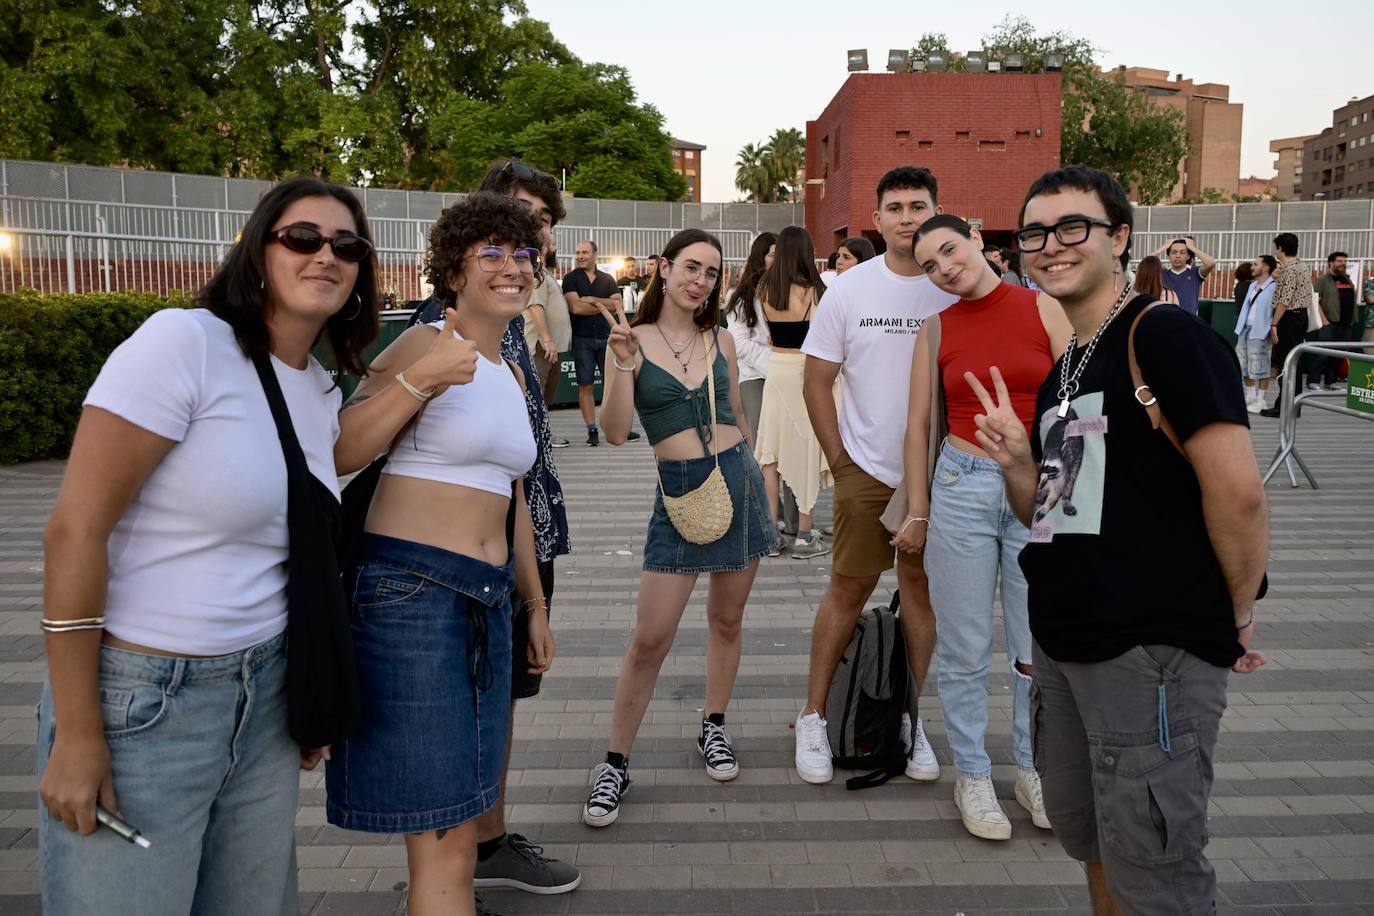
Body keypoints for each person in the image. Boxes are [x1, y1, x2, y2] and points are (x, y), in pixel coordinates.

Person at [37, 177, 380, 915]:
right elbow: (75, 530)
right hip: (144, 703)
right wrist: (76, 731)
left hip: (262, 703)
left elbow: (289, 548)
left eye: (347, 246)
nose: (328, 255)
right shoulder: (184, 342)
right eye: (304, 238)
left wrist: (304, 690)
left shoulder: (318, 387)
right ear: (258, 250)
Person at [969, 165, 1268, 914]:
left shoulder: (1163, 335)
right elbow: (1055, 509)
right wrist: (1017, 464)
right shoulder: (1069, 362)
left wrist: (1232, 614)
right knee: (1097, 843)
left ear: (1120, 237)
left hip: (1151, 651)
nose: (1051, 245)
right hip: (1069, 646)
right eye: (1035, 232)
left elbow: (1239, 493)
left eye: (1075, 227)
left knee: (1156, 871)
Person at [328, 193, 551, 916]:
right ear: (452, 269)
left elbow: (509, 495)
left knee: (464, 816)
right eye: (491, 252)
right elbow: (341, 448)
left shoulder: (512, 373)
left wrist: (534, 605)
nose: (512, 267)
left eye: (523, 254)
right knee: (444, 833)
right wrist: (424, 379)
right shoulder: (426, 343)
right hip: (411, 594)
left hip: (487, 599)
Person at [580, 229, 776, 827]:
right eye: (690, 268)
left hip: (737, 481)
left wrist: (763, 483)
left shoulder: (721, 339)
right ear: (664, 269)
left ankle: (713, 727)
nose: (700, 281)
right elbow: (615, 431)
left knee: (727, 619)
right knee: (651, 638)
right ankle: (615, 762)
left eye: (712, 273)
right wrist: (620, 363)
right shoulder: (632, 339)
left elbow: (739, 417)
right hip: (680, 493)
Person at [896, 214, 1071, 840]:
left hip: (1043, 483)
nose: (945, 268)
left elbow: (1076, 407)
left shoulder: (1044, 309)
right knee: (966, 647)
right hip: (962, 485)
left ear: (974, 238)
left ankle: (1033, 769)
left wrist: (1077, 499)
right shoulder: (935, 328)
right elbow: (918, 427)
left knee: (1036, 645)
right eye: (930, 266)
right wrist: (917, 510)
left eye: (948, 250)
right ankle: (972, 773)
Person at [793, 166, 957, 785]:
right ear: (878, 217)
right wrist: (840, 461)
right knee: (848, 590)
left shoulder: (953, 286)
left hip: (941, 474)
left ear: (937, 211)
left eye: (919, 205)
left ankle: (908, 719)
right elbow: (816, 379)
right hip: (867, 468)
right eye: (895, 207)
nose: (908, 217)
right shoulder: (850, 290)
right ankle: (813, 714)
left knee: (920, 593)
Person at [756, 226, 832, 560]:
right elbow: (822, 338)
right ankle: (804, 535)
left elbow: (767, 334)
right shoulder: (814, 290)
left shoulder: (763, 288)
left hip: (775, 368)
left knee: (770, 454)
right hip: (804, 370)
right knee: (805, 449)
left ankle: (771, 534)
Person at [564, 239, 637, 446]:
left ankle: (618, 427)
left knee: (612, 385)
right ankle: (592, 430)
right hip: (582, 339)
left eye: (584, 252)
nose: (580, 256)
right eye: (577, 252)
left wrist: (589, 300)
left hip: (608, 339)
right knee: (585, 384)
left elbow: (618, 304)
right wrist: (604, 304)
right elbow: (576, 308)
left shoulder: (607, 278)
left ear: (595, 254)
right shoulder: (570, 279)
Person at [1259, 232, 1315, 418]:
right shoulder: (1302, 266)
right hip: (1300, 317)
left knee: (1286, 362)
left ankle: (1285, 405)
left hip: (1289, 318)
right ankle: (1293, 405)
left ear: (1280, 248)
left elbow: (1284, 300)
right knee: (1295, 362)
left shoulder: (1289, 270)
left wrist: (1274, 324)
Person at [1234, 256, 1278, 413]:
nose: (1252, 267)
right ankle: (1251, 397)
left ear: (1265, 268)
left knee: (1261, 364)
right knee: (1243, 364)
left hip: (1261, 330)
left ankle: (1261, 400)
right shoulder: (1252, 285)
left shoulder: (1274, 287)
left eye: (1255, 264)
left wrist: (1272, 327)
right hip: (1245, 328)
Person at [1313, 251, 1356, 389]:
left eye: (1345, 261)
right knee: (1322, 353)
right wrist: (1324, 320)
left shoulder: (1347, 280)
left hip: (1346, 324)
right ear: (1331, 263)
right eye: (1339, 261)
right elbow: (1314, 301)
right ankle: (1313, 381)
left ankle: (1330, 382)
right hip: (1329, 324)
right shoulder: (1322, 280)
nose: (1343, 264)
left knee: (1338, 355)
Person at [1151, 236, 1216, 316]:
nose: (1178, 256)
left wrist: (1191, 247)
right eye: (1174, 252)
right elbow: (1145, 265)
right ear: (1168, 256)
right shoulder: (1162, 273)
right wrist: (1163, 247)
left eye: (1182, 252)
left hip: (1189, 321)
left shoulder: (1195, 272)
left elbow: (1211, 263)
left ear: (1188, 256)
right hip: (1166, 319)